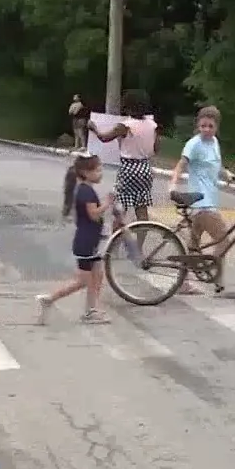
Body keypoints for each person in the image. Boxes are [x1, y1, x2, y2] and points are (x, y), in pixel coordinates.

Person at [170, 105, 235, 298]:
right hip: (202, 203)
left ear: (216, 127)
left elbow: (216, 164)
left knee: (193, 245)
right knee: (224, 240)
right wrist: (173, 184)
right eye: (203, 126)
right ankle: (217, 282)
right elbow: (181, 164)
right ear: (198, 125)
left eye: (210, 126)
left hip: (205, 200)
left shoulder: (214, 143)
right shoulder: (194, 144)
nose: (206, 130)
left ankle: (184, 283)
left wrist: (227, 173)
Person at [38, 153, 113, 324]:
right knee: (82, 281)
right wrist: (107, 204)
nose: (101, 173)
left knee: (98, 275)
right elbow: (93, 215)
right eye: (98, 170)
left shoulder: (85, 189)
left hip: (91, 240)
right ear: (86, 173)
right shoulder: (86, 191)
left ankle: (91, 310)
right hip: (86, 243)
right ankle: (49, 299)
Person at [90, 97, 158, 223]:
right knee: (141, 208)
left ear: (128, 107)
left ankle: (115, 240)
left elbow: (104, 138)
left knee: (120, 208)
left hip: (129, 168)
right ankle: (141, 239)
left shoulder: (126, 126)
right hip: (145, 167)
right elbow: (156, 148)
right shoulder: (153, 125)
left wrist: (94, 128)